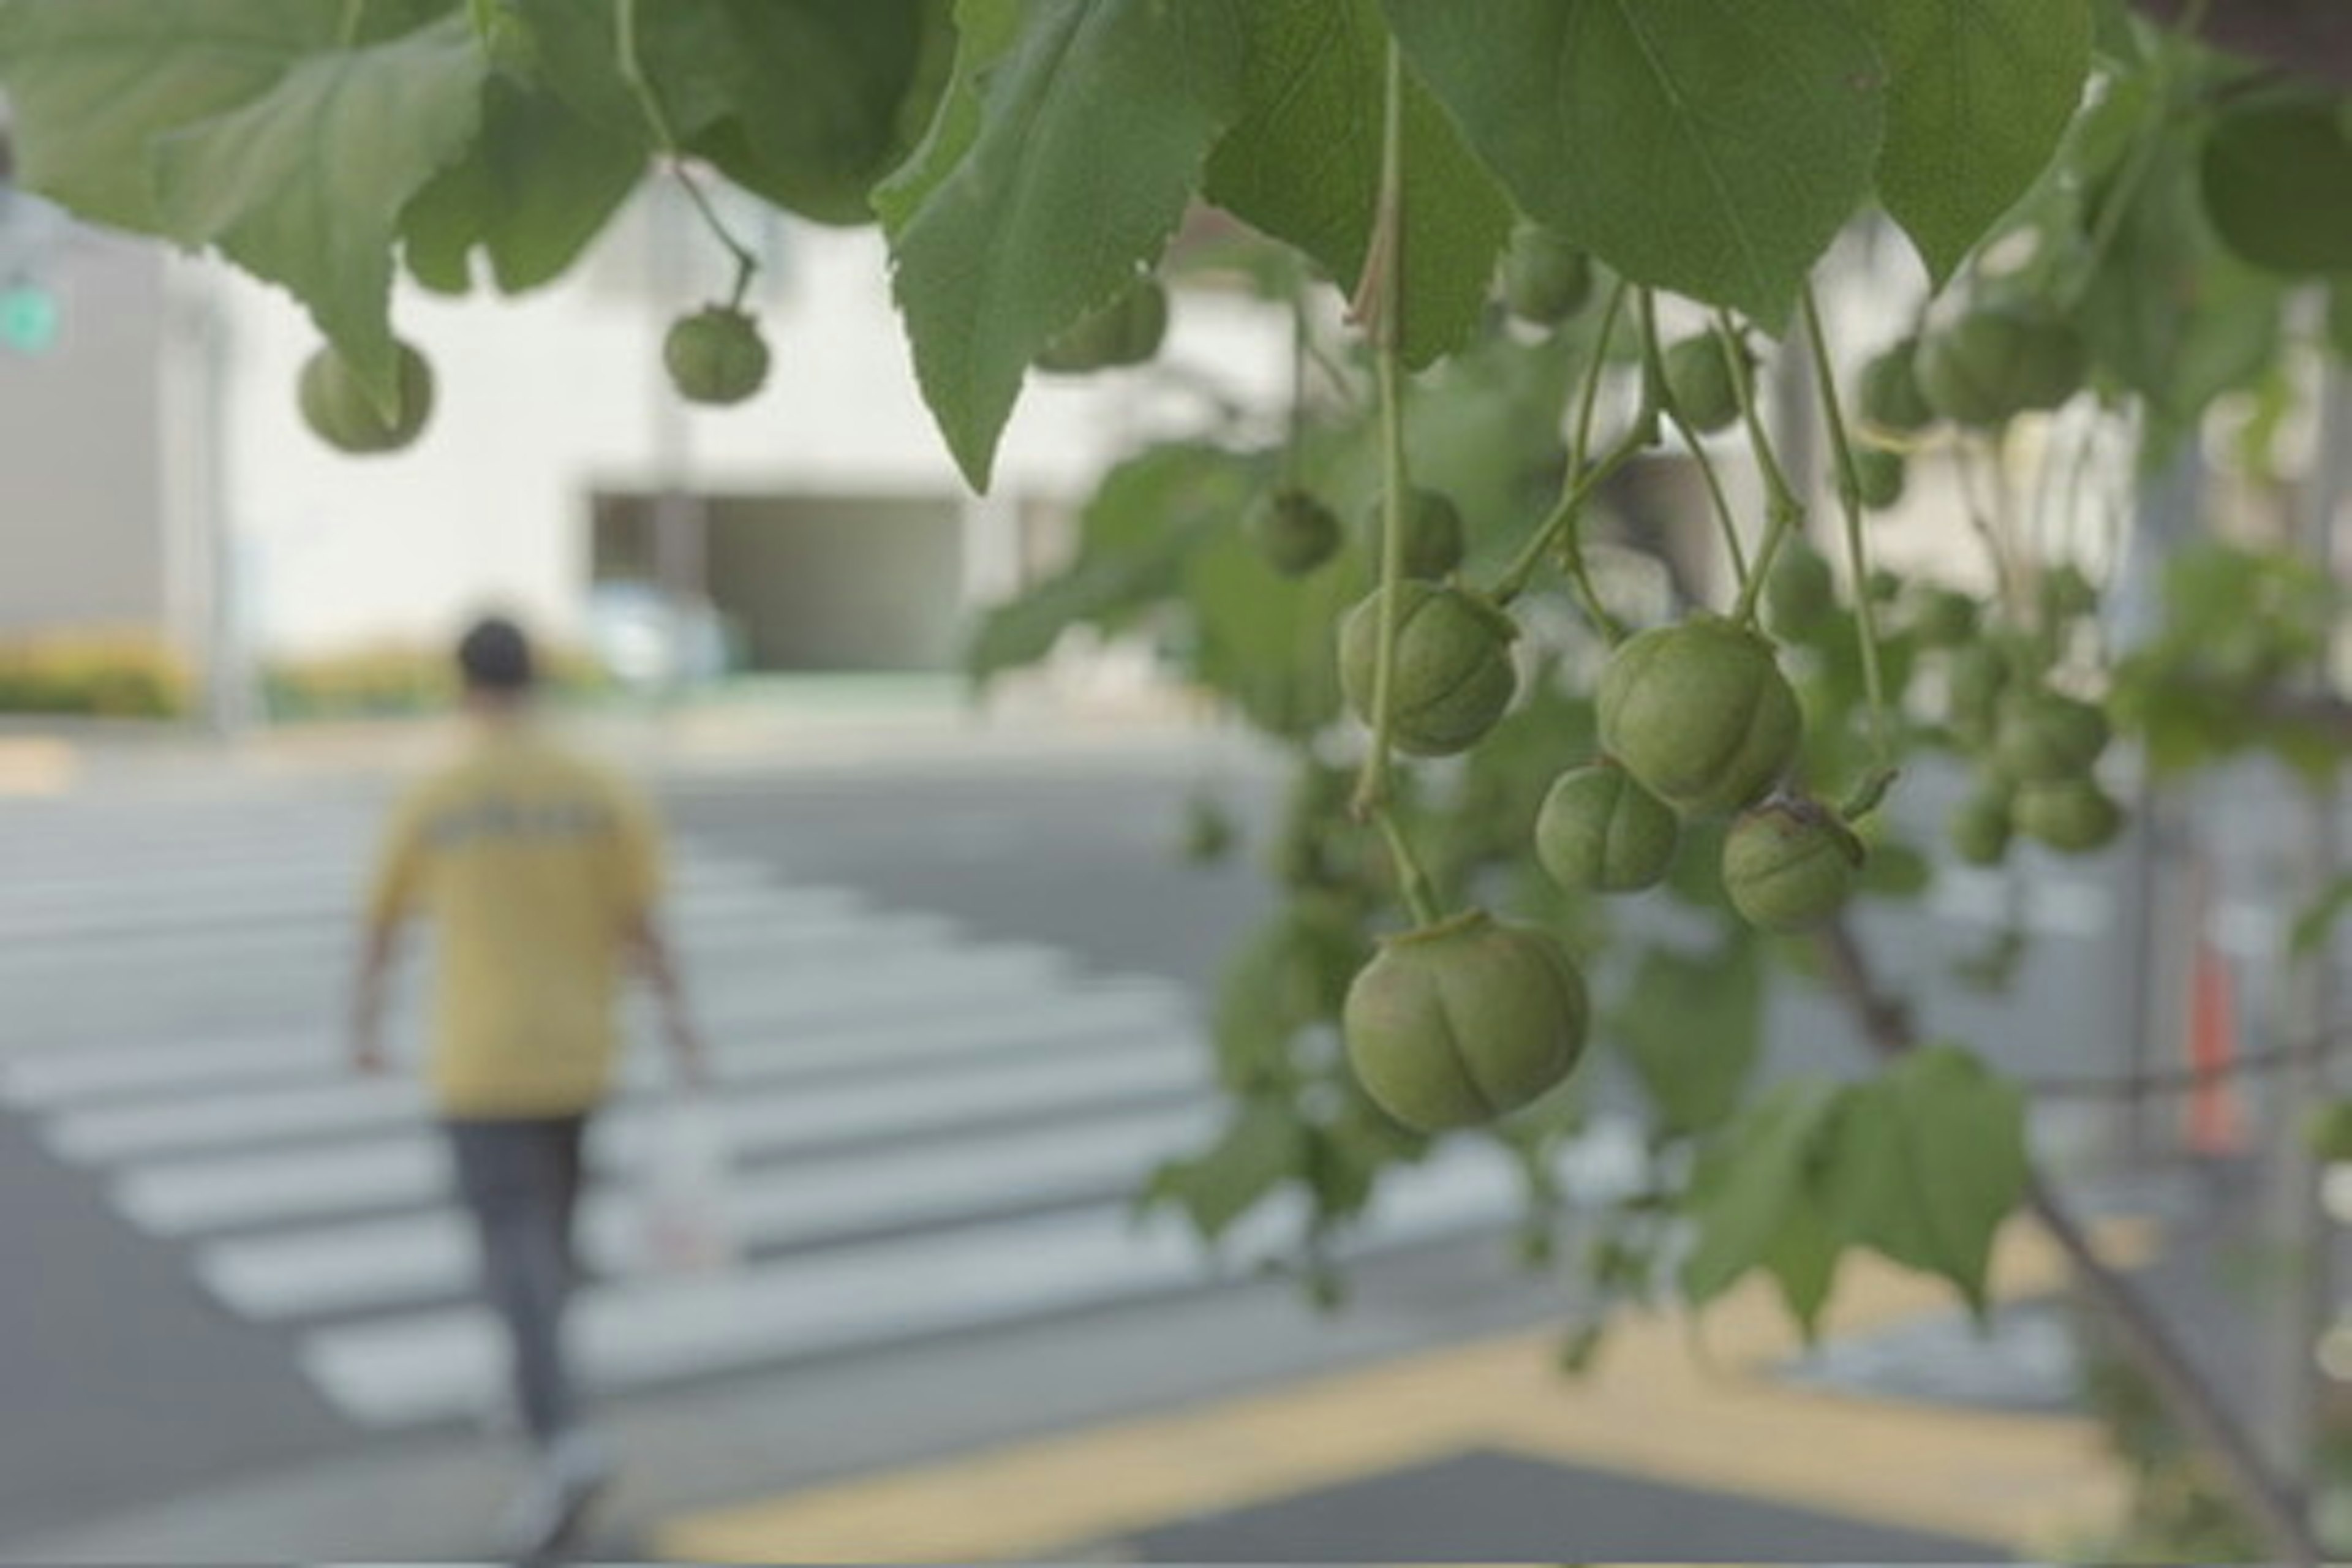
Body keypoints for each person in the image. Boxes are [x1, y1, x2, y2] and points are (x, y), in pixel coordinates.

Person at [348, 613, 704, 1560]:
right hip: (579, 1052)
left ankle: (562, 1438)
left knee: (514, 1254)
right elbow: (642, 922)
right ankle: (533, 1390)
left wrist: (366, 1025)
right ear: (539, 678)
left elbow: (383, 919)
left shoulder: (440, 787)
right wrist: (681, 1031)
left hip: (480, 1061)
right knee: (548, 1237)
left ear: (463, 684)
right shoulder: (595, 786)